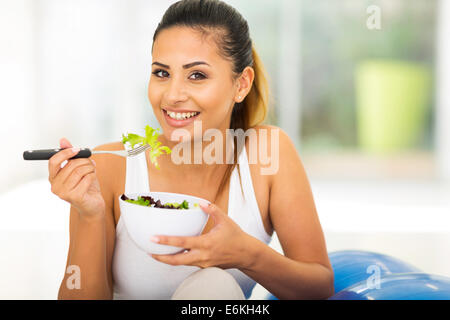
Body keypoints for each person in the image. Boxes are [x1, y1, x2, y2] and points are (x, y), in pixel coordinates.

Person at [48, 0, 334, 300]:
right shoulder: (109, 167)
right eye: (161, 73)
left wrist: (247, 254)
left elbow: (318, 287)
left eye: (196, 75)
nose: (172, 95)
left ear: (241, 84)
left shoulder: (268, 154)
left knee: (213, 286)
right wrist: (89, 214)